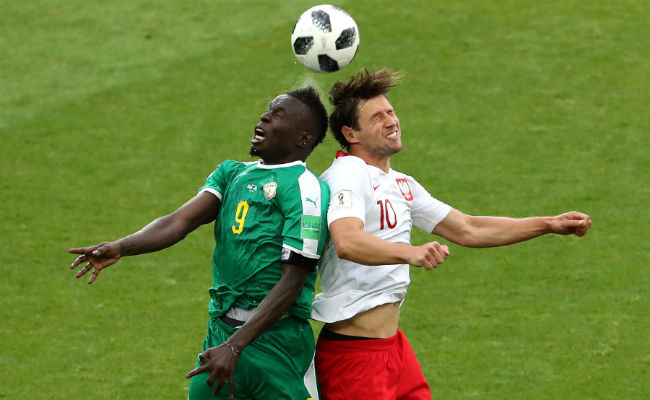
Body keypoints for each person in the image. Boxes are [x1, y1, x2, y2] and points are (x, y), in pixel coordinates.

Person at [311, 68, 592, 400]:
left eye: (390, 111)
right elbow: (347, 240)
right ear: (351, 134)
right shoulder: (347, 174)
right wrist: (410, 253)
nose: (391, 121)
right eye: (376, 117)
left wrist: (548, 224)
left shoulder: (400, 183)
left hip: (393, 349)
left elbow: (468, 228)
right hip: (355, 358)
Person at [69, 86, 330, 400]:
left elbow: (293, 281)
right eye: (267, 109)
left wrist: (236, 346)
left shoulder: (305, 189)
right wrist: (122, 246)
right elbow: (180, 221)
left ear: (303, 138)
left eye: (278, 115)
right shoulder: (232, 174)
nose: (264, 116)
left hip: (277, 346)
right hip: (220, 337)